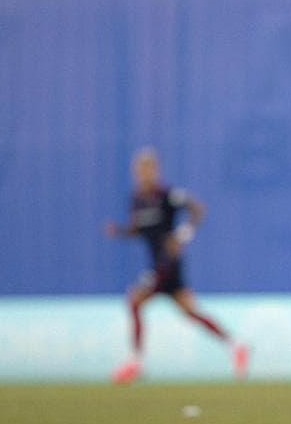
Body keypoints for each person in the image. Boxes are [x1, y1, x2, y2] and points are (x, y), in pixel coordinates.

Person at [105, 148, 248, 383]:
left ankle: (135, 362)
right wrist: (119, 231)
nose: (143, 173)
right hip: (158, 264)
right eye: (139, 169)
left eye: (148, 168)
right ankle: (236, 345)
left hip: (167, 264)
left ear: (156, 169)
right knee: (191, 311)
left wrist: (182, 235)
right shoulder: (137, 199)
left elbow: (197, 209)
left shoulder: (167, 194)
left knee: (135, 299)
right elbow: (137, 229)